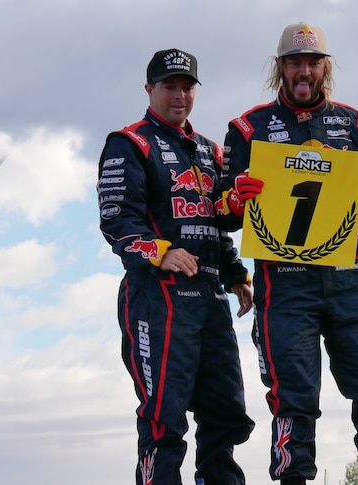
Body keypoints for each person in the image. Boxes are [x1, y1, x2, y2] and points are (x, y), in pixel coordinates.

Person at [220, 22, 358, 485]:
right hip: (283, 280)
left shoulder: (357, 125)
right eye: (295, 62)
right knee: (293, 395)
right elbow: (221, 210)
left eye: (313, 62)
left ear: (325, 68)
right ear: (280, 69)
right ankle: (293, 477)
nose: (304, 71)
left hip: (349, 274)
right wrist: (233, 199)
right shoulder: (247, 128)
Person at [97, 48, 255, 485]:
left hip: (209, 296)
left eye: (187, 87)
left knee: (225, 410)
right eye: (170, 86)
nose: (180, 95)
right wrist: (158, 251)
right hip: (156, 298)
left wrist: (236, 274)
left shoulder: (209, 150)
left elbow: (214, 224)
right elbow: (115, 218)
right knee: (164, 417)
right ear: (150, 90)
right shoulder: (129, 143)